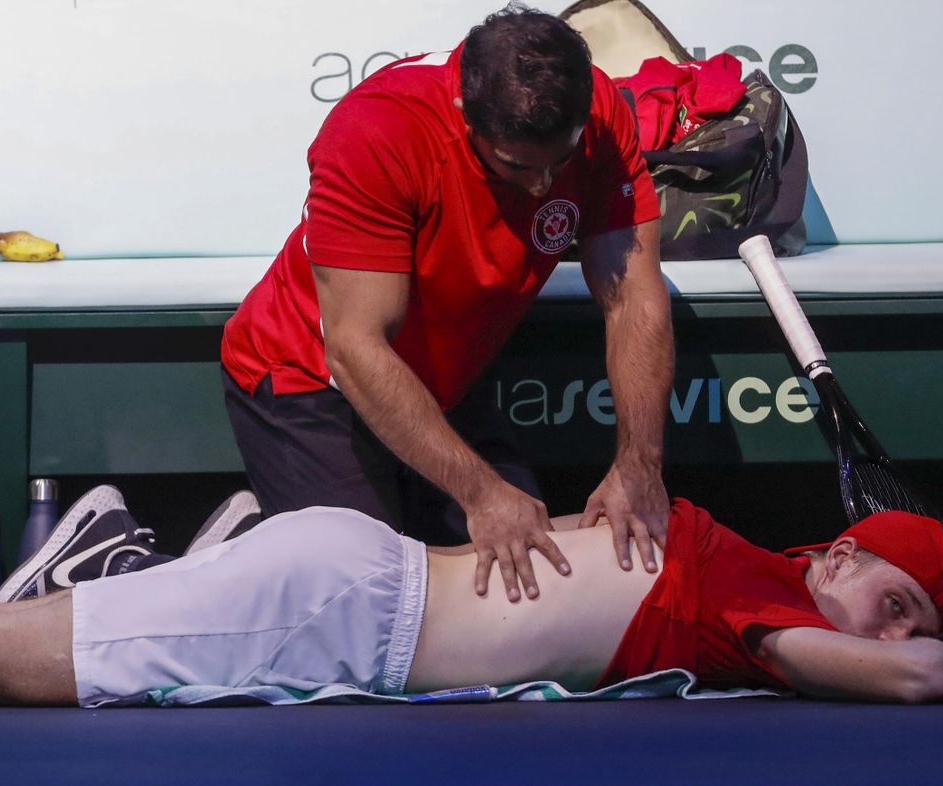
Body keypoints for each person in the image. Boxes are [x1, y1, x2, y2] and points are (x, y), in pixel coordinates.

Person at [0, 474, 943, 712]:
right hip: (332, 616)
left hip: (339, 582)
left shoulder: (722, 547)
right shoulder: (759, 600)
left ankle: (130, 567)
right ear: (844, 557)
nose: (900, 627)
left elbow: (879, 645)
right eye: (904, 595)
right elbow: (906, 683)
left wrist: (922, 625)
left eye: (918, 616)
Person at [220, 4, 675, 605]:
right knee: (366, 607)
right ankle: (226, 558)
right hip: (310, 377)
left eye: (558, 164)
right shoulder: (380, 128)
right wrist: (483, 496)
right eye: (516, 167)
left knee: (525, 590)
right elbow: (355, 347)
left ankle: (281, 551)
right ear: (465, 114)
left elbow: (634, 299)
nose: (542, 187)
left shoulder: (599, 116)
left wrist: (640, 465)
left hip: (443, 381)